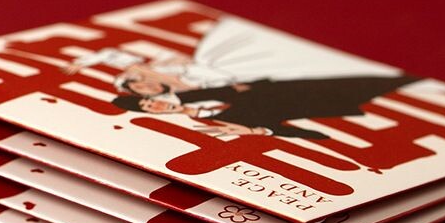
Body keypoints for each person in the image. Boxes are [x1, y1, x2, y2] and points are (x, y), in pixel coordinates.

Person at [112, 74, 419, 140]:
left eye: (150, 98)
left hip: (306, 82)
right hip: (334, 101)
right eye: (148, 106)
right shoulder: (219, 126)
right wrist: (259, 132)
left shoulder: (192, 95)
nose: (155, 103)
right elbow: (316, 135)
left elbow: (244, 85)